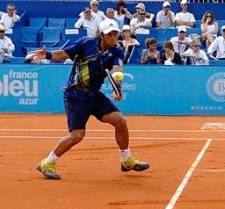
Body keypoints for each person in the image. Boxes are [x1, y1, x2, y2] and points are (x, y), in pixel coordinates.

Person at [30, 18, 149, 181]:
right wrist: (48, 55)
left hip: (93, 94)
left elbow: (117, 70)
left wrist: (117, 86)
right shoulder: (85, 43)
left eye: (115, 34)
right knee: (77, 135)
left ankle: (126, 160)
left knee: (120, 121)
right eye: (110, 35)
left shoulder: (117, 51)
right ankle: (47, 163)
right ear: (101, 35)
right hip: (75, 95)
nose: (113, 38)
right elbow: (63, 54)